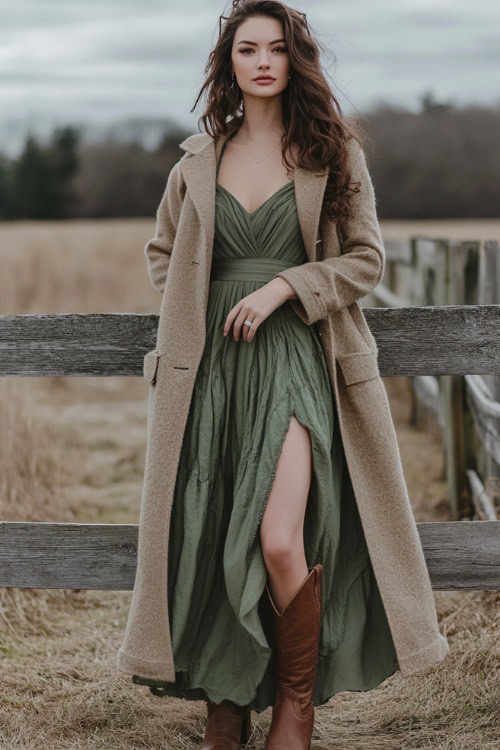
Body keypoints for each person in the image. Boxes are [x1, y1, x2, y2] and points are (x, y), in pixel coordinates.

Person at [126, 2, 416, 749]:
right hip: (212, 367)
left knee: (279, 536)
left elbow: (366, 260)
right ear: (228, 65)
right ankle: (226, 699)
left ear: (296, 60)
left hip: (295, 355)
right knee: (212, 524)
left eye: (276, 49)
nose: (262, 61)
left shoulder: (331, 152)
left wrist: (285, 287)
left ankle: (296, 702)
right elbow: (164, 253)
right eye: (247, 49)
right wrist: (196, 308)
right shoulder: (196, 162)